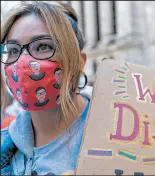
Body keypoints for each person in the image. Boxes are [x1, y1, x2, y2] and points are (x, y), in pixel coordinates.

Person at [1, 1, 93, 175]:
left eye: (43, 46)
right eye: (13, 50)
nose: (23, 62)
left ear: (79, 62)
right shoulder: (4, 145)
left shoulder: (117, 136)